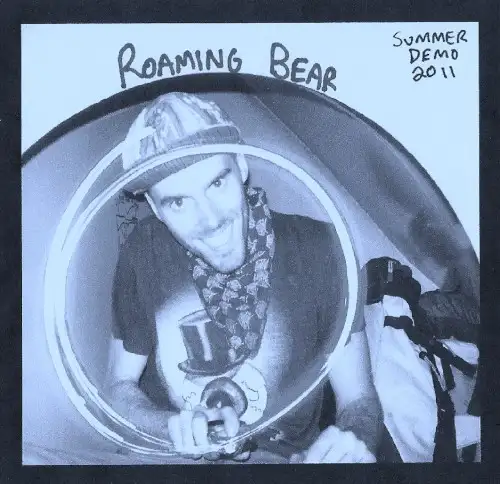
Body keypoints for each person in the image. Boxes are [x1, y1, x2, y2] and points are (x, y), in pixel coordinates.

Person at [105, 91, 383, 463]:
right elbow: (117, 387)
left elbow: (359, 399)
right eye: (179, 202)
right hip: (167, 457)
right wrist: (168, 427)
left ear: (241, 165)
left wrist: (354, 441)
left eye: (217, 184)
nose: (210, 220)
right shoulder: (143, 251)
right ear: (155, 207)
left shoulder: (325, 251)